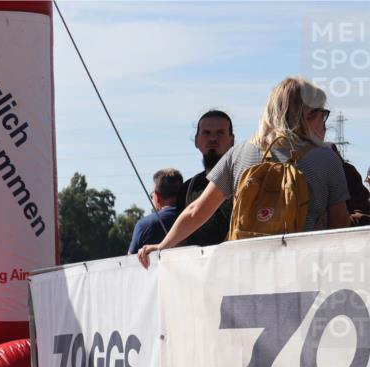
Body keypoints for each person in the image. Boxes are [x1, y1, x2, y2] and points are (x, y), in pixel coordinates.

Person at [139, 76, 350, 268]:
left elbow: (197, 211)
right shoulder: (326, 159)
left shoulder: (239, 153)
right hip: (302, 269)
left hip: (246, 271)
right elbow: (340, 226)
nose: (324, 124)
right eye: (323, 116)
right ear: (308, 115)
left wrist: (162, 246)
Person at [176, 110, 235, 246]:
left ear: (231, 140)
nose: (213, 138)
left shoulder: (243, 181)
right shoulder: (187, 189)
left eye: (220, 133)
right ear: (197, 141)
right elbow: (180, 239)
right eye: (206, 133)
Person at [128, 169, 183, 254]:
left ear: (157, 196)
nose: (152, 198)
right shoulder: (197, 216)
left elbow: (130, 260)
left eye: (152, 196)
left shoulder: (143, 225)